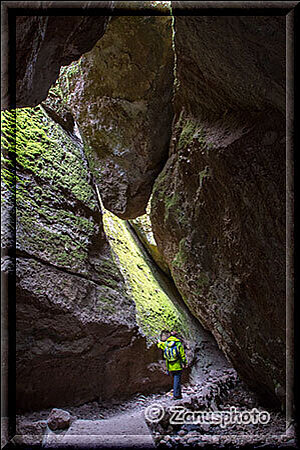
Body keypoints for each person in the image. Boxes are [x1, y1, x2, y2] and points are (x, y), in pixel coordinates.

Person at [157, 330, 187, 399]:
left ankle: (177, 394)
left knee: (175, 380)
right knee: (177, 380)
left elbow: (160, 345)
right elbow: (182, 355)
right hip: (177, 366)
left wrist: (158, 340)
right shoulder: (178, 343)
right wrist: (184, 362)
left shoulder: (166, 343)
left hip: (170, 366)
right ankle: (176, 395)